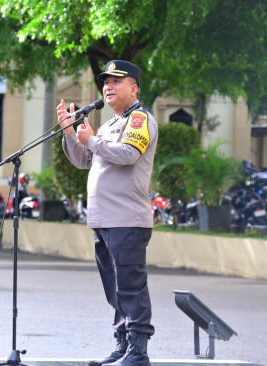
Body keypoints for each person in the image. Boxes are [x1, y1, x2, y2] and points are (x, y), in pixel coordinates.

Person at [57, 60, 158, 366]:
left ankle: (138, 352)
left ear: (134, 88)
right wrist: (70, 132)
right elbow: (83, 159)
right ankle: (123, 344)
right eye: (106, 82)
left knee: (131, 286)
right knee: (115, 288)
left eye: (117, 81)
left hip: (127, 219)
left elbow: (127, 155)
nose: (108, 87)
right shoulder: (109, 124)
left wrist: (92, 140)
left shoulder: (140, 120)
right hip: (104, 220)